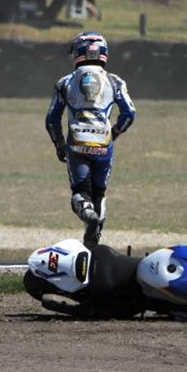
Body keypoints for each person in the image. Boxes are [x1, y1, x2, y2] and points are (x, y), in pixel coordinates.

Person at [45, 32, 136, 247]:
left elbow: (51, 119)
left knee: (80, 192)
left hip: (77, 144)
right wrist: (115, 132)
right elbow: (130, 113)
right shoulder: (115, 81)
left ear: (77, 52)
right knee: (100, 191)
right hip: (104, 145)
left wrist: (59, 145)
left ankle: (87, 214)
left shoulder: (65, 82)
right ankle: (95, 234)